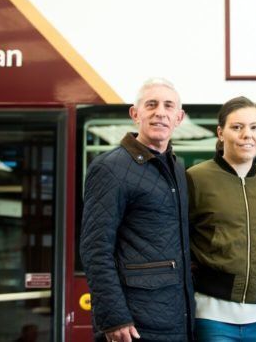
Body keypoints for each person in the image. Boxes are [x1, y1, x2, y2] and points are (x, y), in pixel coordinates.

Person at [80, 78, 195, 342]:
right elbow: (95, 248)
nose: (160, 112)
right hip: (133, 326)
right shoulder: (109, 168)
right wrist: (114, 317)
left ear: (179, 118)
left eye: (168, 106)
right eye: (151, 104)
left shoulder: (177, 168)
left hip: (176, 319)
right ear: (135, 113)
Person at [187, 97, 256, 341]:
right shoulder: (196, 178)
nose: (246, 135)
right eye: (237, 127)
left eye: (254, 127)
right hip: (211, 314)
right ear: (220, 133)